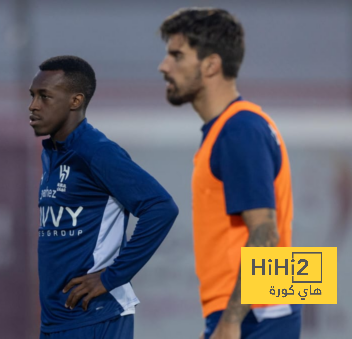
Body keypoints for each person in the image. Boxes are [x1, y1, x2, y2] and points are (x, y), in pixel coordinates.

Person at [157, 8, 301, 339]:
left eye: (176, 55)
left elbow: (265, 234)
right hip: (260, 308)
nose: (164, 66)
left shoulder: (239, 130)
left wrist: (232, 320)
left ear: (211, 64)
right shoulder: (234, 127)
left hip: (257, 314)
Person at [29, 55, 179, 339]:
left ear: (75, 101)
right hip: (58, 319)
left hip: (96, 316)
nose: (33, 105)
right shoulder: (53, 152)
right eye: (33, 95)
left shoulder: (96, 151)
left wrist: (113, 277)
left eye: (45, 96)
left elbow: (161, 207)